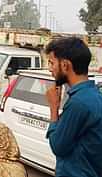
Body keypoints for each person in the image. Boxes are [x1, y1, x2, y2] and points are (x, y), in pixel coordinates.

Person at [45, 37, 102, 177]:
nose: (49, 69)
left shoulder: (79, 103)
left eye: (52, 63)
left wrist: (53, 108)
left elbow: (58, 146)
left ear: (65, 65)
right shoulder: (94, 95)